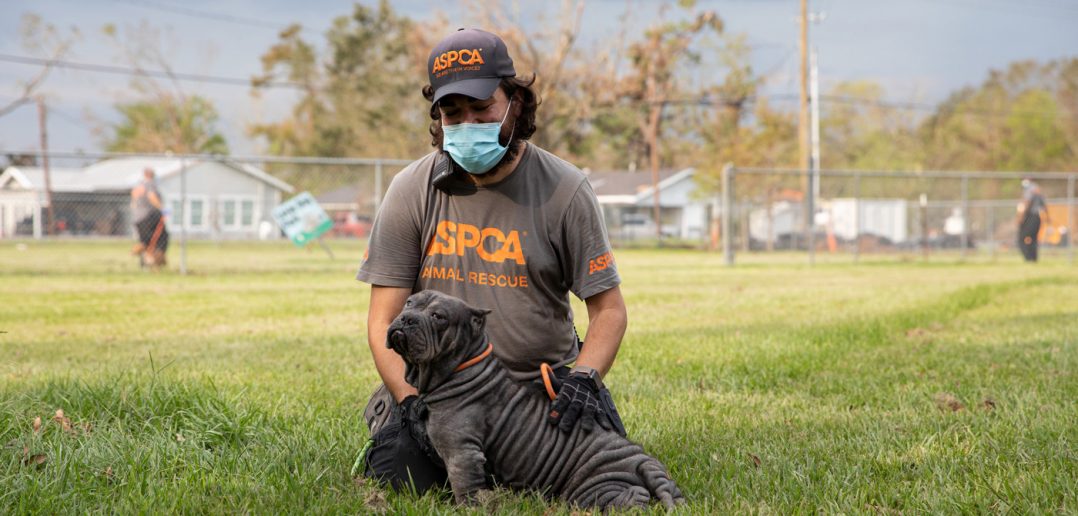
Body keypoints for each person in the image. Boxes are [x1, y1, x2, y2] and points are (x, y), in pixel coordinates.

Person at [355, 28, 628, 492]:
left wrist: (585, 377)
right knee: (402, 476)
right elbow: (384, 321)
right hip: (438, 393)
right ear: (437, 116)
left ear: (515, 103)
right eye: (452, 112)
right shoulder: (410, 190)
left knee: (597, 479)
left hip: (541, 394)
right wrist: (410, 402)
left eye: (482, 108)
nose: (466, 123)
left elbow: (609, 311)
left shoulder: (565, 189)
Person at [130, 167, 169, 267]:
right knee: (162, 237)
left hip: (138, 217)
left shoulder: (138, 186)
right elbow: (152, 196)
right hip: (150, 216)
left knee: (146, 240)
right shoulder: (150, 184)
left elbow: (133, 203)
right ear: (152, 175)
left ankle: (144, 261)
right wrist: (162, 208)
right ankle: (158, 258)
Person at [1016, 177, 1050, 262]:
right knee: (1033, 239)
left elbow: (1027, 202)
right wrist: (1048, 217)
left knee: (1022, 238)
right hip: (1037, 217)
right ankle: (1033, 259)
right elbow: (1044, 206)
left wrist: (1021, 217)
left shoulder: (1030, 189)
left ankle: (1029, 258)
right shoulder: (1038, 192)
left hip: (1029, 217)